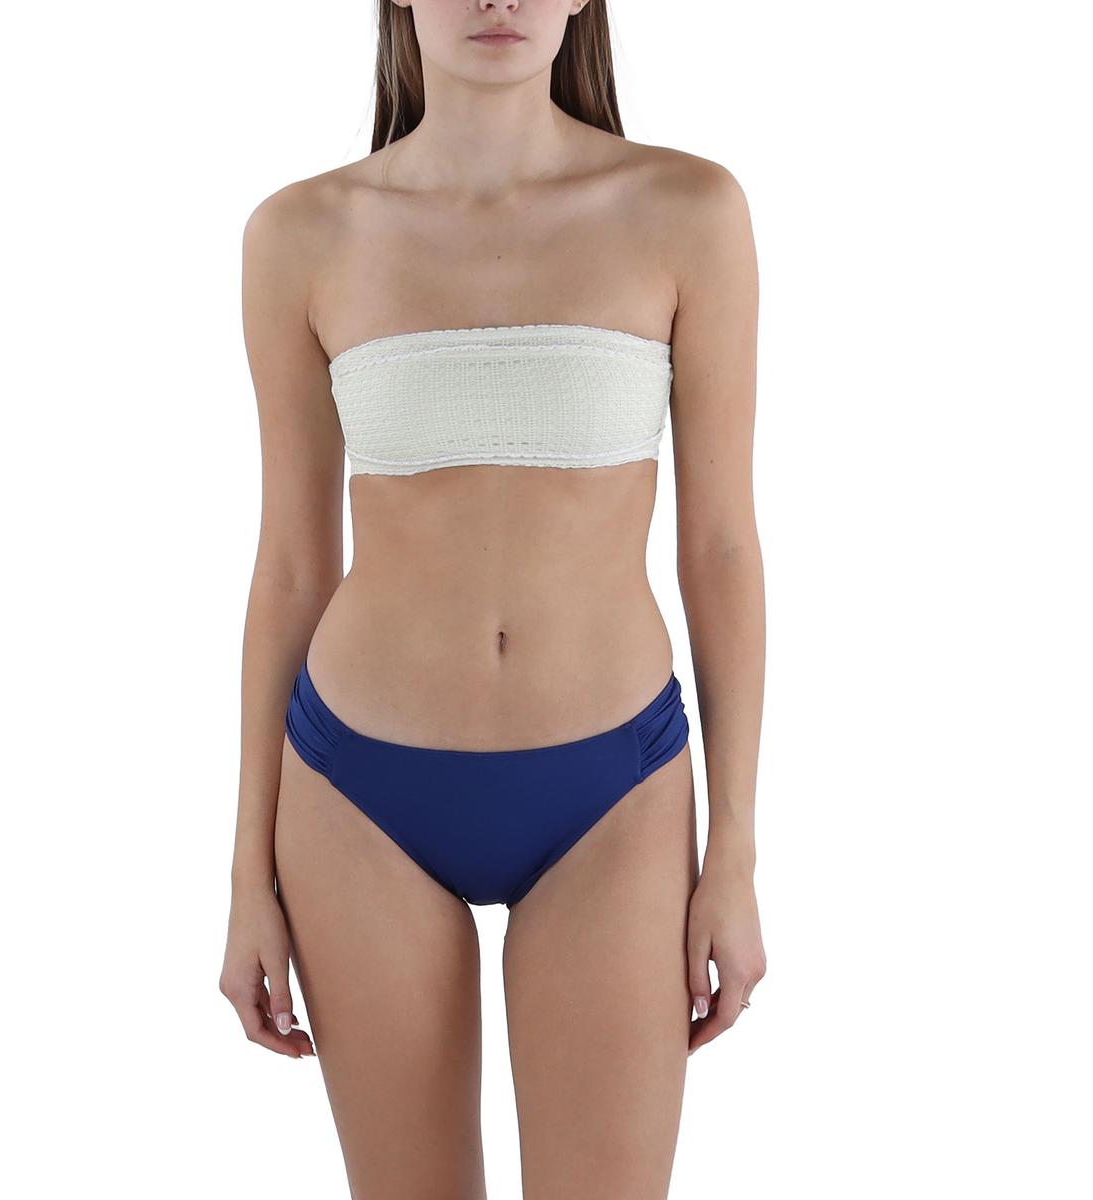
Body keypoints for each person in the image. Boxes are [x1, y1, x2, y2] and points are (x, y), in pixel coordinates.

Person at [219, 1, 766, 1195]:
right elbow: (292, 564)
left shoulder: (688, 212)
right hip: (357, 795)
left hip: (613, 794)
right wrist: (245, 873)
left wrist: (733, 852)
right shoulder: (302, 233)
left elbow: (721, 546)